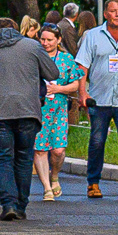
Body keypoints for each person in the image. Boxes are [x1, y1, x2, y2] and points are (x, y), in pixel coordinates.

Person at [0, 17, 60, 222]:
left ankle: (8, 203)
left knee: (3, 157)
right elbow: (53, 72)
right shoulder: (32, 47)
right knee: (24, 157)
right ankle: (21, 204)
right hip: (28, 111)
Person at [76, 0, 118, 200]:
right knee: (97, 141)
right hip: (99, 98)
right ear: (105, 14)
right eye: (113, 11)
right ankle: (93, 182)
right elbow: (82, 67)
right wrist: (82, 93)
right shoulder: (93, 36)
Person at [32, 22, 82, 202]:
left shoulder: (66, 59)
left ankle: (54, 175)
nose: (45, 43)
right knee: (40, 149)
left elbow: (76, 83)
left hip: (59, 109)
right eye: (42, 39)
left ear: (58, 40)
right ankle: (46, 188)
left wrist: (59, 89)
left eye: (49, 40)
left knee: (58, 150)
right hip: (38, 109)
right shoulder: (34, 56)